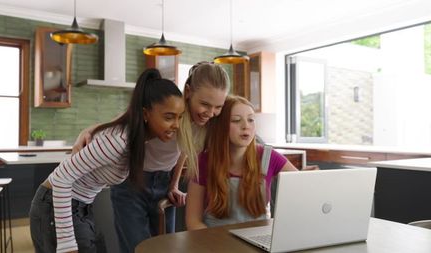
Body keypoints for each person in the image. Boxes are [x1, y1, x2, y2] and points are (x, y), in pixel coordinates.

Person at [72, 61, 230, 253]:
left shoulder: (203, 124)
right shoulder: (167, 106)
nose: (211, 113)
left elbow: (183, 152)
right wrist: (87, 131)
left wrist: (173, 185)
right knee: (137, 248)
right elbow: (121, 122)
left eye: (218, 107)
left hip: (163, 183)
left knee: (165, 248)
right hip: (131, 183)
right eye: (205, 104)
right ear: (188, 92)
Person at [29, 68, 185, 253]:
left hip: (81, 206)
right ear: (145, 114)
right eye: (169, 117)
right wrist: (67, 243)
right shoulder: (118, 141)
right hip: (55, 205)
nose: (176, 125)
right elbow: (61, 178)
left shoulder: (138, 141)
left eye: (180, 117)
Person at [186, 95, 314, 230]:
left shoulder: (269, 157)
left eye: (251, 120)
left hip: (258, 239)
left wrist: (306, 181)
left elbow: (303, 190)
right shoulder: (203, 161)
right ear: (220, 126)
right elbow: (193, 222)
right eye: (236, 120)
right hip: (215, 242)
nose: (246, 126)